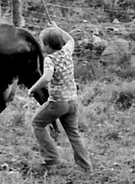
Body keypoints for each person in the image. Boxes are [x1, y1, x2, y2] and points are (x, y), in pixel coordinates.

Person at [27, 26, 93, 174]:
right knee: (73, 133)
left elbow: (46, 78)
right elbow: (70, 39)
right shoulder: (67, 52)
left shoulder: (49, 59)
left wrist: (33, 89)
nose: (42, 46)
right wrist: (58, 29)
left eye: (43, 43)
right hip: (73, 102)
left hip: (58, 102)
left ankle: (51, 157)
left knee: (37, 123)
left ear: (48, 46)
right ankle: (86, 167)